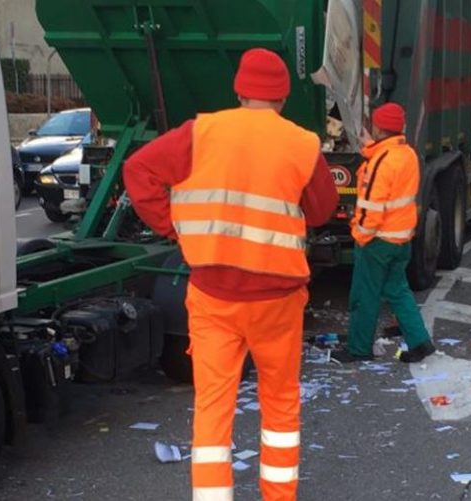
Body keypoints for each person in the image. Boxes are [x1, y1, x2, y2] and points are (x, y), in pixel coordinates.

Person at [123, 48, 338, 501]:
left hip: (213, 296)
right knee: (279, 408)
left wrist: (174, 227)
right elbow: (322, 210)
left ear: (239, 90)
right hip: (277, 300)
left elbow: (137, 169)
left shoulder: (200, 133)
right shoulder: (301, 143)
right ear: (282, 96)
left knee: (213, 408)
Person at [332, 103, 435, 364]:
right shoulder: (407, 154)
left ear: (378, 127)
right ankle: (420, 341)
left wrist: (359, 235)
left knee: (364, 296)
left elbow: (371, 207)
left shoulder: (379, 162)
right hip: (401, 239)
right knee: (398, 290)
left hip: (377, 240)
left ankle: (358, 348)